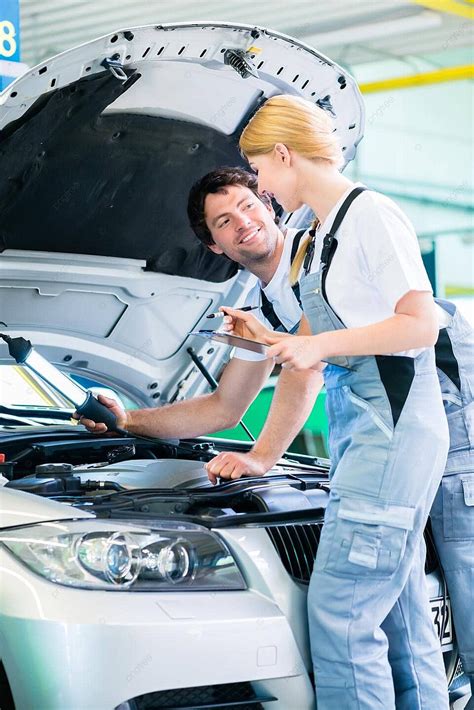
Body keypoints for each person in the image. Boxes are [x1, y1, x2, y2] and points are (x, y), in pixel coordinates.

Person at [218, 94, 450, 709]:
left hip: (394, 426)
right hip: (362, 428)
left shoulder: (371, 214)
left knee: (342, 610)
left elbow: (419, 325)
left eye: (260, 171)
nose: (262, 189)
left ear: (286, 154)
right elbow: (318, 340)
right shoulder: (315, 236)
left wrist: (317, 346)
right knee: (397, 613)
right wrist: (269, 340)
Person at [75, 167, 323, 476]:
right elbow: (224, 408)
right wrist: (127, 419)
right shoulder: (259, 314)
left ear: (269, 208)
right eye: (224, 221)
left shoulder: (319, 256)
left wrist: (261, 457)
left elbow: (308, 366)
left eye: (247, 206)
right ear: (214, 245)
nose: (243, 222)